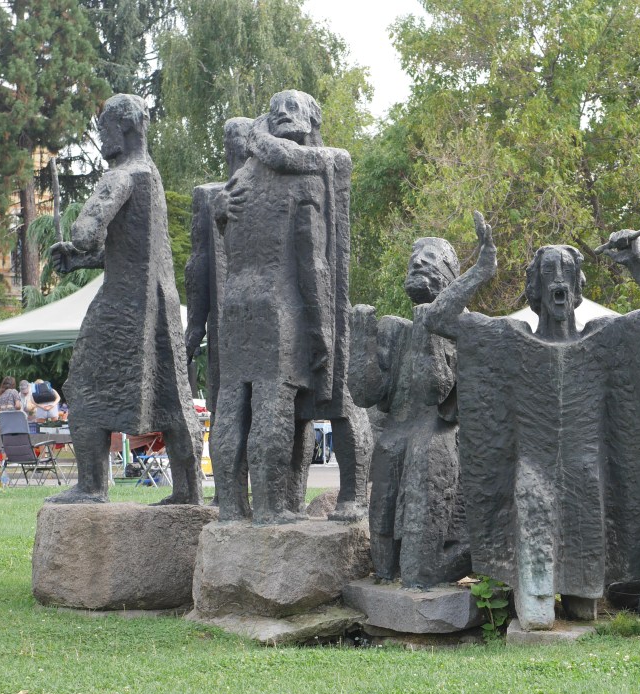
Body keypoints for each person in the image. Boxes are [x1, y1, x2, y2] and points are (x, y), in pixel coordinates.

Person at [425, 199, 640, 629]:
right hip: (532, 469)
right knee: (535, 597)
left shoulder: (606, 337)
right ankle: (533, 594)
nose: (558, 279)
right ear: (534, 289)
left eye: (567, 271)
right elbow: (438, 318)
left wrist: (639, 260)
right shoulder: (509, 338)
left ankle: (577, 593)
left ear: (577, 287)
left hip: (586, 473)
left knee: (584, 603)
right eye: (548, 271)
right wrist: (481, 269)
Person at [208, 89, 370, 523]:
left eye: (290, 106)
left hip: (235, 304)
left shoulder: (239, 180)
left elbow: (227, 237)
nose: (283, 113)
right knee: (271, 405)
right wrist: (322, 329)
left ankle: (231, 508)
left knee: (231, 404)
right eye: (279, 108)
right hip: (279, 307)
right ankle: (270, 508)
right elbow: (312, 262)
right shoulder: (305, 178)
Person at [48, 93, 203, 505]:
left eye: (104, 128)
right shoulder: (151, 175)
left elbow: (87, 231)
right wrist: (80, 260)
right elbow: (138, 249)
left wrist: (80, 237)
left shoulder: (122, 176)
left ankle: (91, 486)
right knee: (174, 399)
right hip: (159, 301)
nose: (101, 139)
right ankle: (188, 491)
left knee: (83, 387)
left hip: (123, 304)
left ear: (126, 126)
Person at [348, 237, 469, 588]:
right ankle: (388, 569)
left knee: (425, 450)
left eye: (429, 259)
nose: (417, 263)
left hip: (443, 436)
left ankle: (424, 569)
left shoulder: (464, 329)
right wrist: (361, 338)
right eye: (414, 258)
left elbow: (435, 390)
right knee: (388, 450)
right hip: (399, 432)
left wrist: (427, 330)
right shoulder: (394, 329)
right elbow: (365, 394)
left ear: (450, 278)